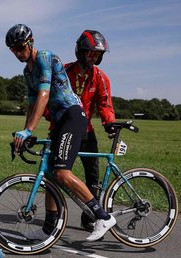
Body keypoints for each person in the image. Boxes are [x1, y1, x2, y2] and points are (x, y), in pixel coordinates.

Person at [5, 24, 115, 242]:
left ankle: (102, 216)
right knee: (50, 175)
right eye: (13, 50)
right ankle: (48, 228)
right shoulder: (27, 72)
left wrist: (29, 129)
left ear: (30, 42)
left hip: (72, 116)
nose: (18, 53)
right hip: (58, 122)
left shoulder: (44, 57)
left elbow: (44, 95)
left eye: (20, 47)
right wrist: (24, 131)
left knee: (63, 173)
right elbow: (32, 104)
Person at [64, 30, 116, 230]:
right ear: (81, 51)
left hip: (87, 132)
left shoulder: (101, 78)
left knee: (93, 177)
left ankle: (91, 216)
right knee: (55, 173)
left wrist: (109, 122)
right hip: (63, 131)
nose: (94, 57)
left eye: (98, 54)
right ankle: (52, 219)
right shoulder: (64, 72)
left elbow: (105, 104)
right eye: (90, 53)